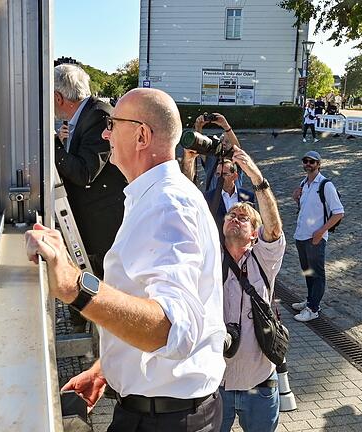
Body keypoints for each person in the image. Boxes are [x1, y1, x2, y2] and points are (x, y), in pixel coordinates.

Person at [26, 88, 225, 432]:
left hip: (164, 421)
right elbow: (148, 299)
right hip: (162, 412)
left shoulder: (166, 206)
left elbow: (172, 330)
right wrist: (110, 366)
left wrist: (75, 286)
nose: (105, 133)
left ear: (142, 135)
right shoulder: (153, 196)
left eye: (112, 123)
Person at [189, 143, 286, 431]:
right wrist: (188, 164)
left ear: (255, 235)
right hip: (215, 385)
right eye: (231, 216)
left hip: (259, 385)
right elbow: (190, 218)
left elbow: (274, 228)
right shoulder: (209, 257)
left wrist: (256, 177)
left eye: (244, 218)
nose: (235, 218)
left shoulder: (264, 260)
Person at [53, 63, 127, 278]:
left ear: (58, 97)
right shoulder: (88, 114)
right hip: (97, 220)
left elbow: (85, 173)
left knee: (106, 289)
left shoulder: (98, 116)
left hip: (103, 225)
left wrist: (52, 146)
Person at [291, 151, 344, 322]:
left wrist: (321, 232)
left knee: (318, 274)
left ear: (319, 164)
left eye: (312, 162)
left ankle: (313, 308)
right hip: (301, 235)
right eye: (305, 161)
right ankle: (310, 300)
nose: (308, 164)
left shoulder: (326, 185)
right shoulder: (304, 183)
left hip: (315, 237)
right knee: (308, 272)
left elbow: (338, 213)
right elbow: (306, 208)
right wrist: (295, 198)